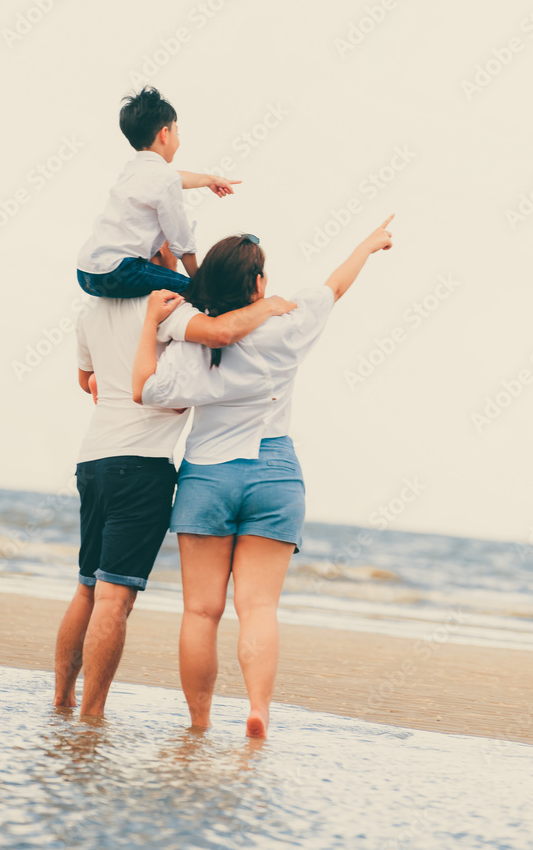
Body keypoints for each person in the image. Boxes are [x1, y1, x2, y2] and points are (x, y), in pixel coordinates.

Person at [132, 216, 395, 738]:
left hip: (207, 476)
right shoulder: (288, 325)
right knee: (258, 610)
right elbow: (335, 284)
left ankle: (200, 723)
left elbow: (146, 390)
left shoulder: (190, 342)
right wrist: (368, 244)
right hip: (274, 474)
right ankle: (258, 711)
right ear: (256, 283)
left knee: (201, 613)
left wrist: (150, 325)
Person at [53, 247, 296, 717]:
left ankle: (63, 700)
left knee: (86, 586)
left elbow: (88, 381)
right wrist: (266, 304)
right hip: (141, 464)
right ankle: (91, 715)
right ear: (157, 255)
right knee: (113, 595)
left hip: (94, 459)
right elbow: (224, 331)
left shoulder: (92, 310)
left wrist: (116, 384)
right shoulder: (168, 308)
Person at [76, 85, 240, 299]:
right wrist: (199, 282)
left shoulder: (133, 170)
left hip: (86, 271)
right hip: (120, 271)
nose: (177, 138)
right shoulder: (164, 179)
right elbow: (181, 240)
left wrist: (210, 179)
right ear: (165, 133)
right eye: (176, 132)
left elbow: (175, 177)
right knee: (190, 290)